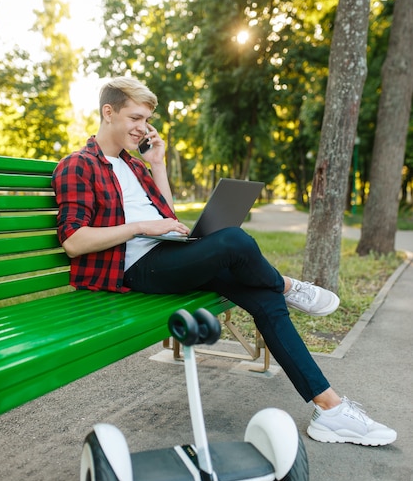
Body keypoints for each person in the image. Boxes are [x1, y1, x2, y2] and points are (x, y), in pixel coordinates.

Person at [52, 76, 396, 447]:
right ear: (108, 112)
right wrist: (138, 226)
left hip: (168, 255)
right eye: (136, 118)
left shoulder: (135, 167)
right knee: (234, 241)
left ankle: (330, 410)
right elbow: (74, 241)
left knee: (265, 300)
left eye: (147, 120)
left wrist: (157, 164)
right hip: (134, 269)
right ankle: (287, 284)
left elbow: (165, 213)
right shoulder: (79, 164)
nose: (143, 128)